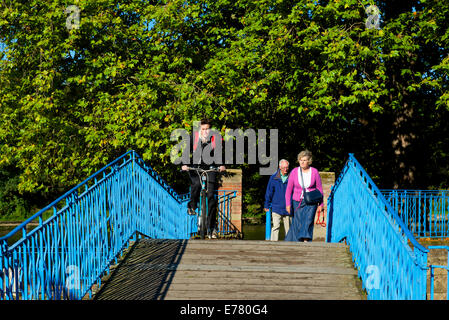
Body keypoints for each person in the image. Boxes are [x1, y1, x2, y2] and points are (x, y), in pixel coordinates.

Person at [181, 118, 226, 238]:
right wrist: (185, 164)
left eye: (207, 129)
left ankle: (211, 228)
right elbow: (186, 150)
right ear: (200, 128)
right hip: (196, 167)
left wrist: (221, 165)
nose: (205, 131)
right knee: (196, 184)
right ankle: (192, 206)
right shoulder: (194, 137)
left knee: (211, 196)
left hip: (210, 167)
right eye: (203, 129)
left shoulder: (215, 137)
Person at [284, 150, 324, 242]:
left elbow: (320, 189)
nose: (302, 162)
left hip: (311, 201)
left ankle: (306, 241)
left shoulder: (314, 172)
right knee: (297, 223)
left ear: (309, 161)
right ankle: (297, 242)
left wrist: (321, 204)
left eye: (305, 160)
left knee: (308, 221)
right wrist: (288, 204)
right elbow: (288, 190)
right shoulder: (294, 172)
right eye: (301, 160)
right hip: (297, 201)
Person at [264, 159, 291, 241]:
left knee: (289, 228)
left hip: (288, 207)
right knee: (275, 227)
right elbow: (269, 192)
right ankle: (273, 244)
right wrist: (266, 204)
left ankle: (289, 245)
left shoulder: (291, 177)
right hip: (276, 207)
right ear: (279, 167)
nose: (285, 170)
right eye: (283, 168)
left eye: (287, 167)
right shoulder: (273, 178)